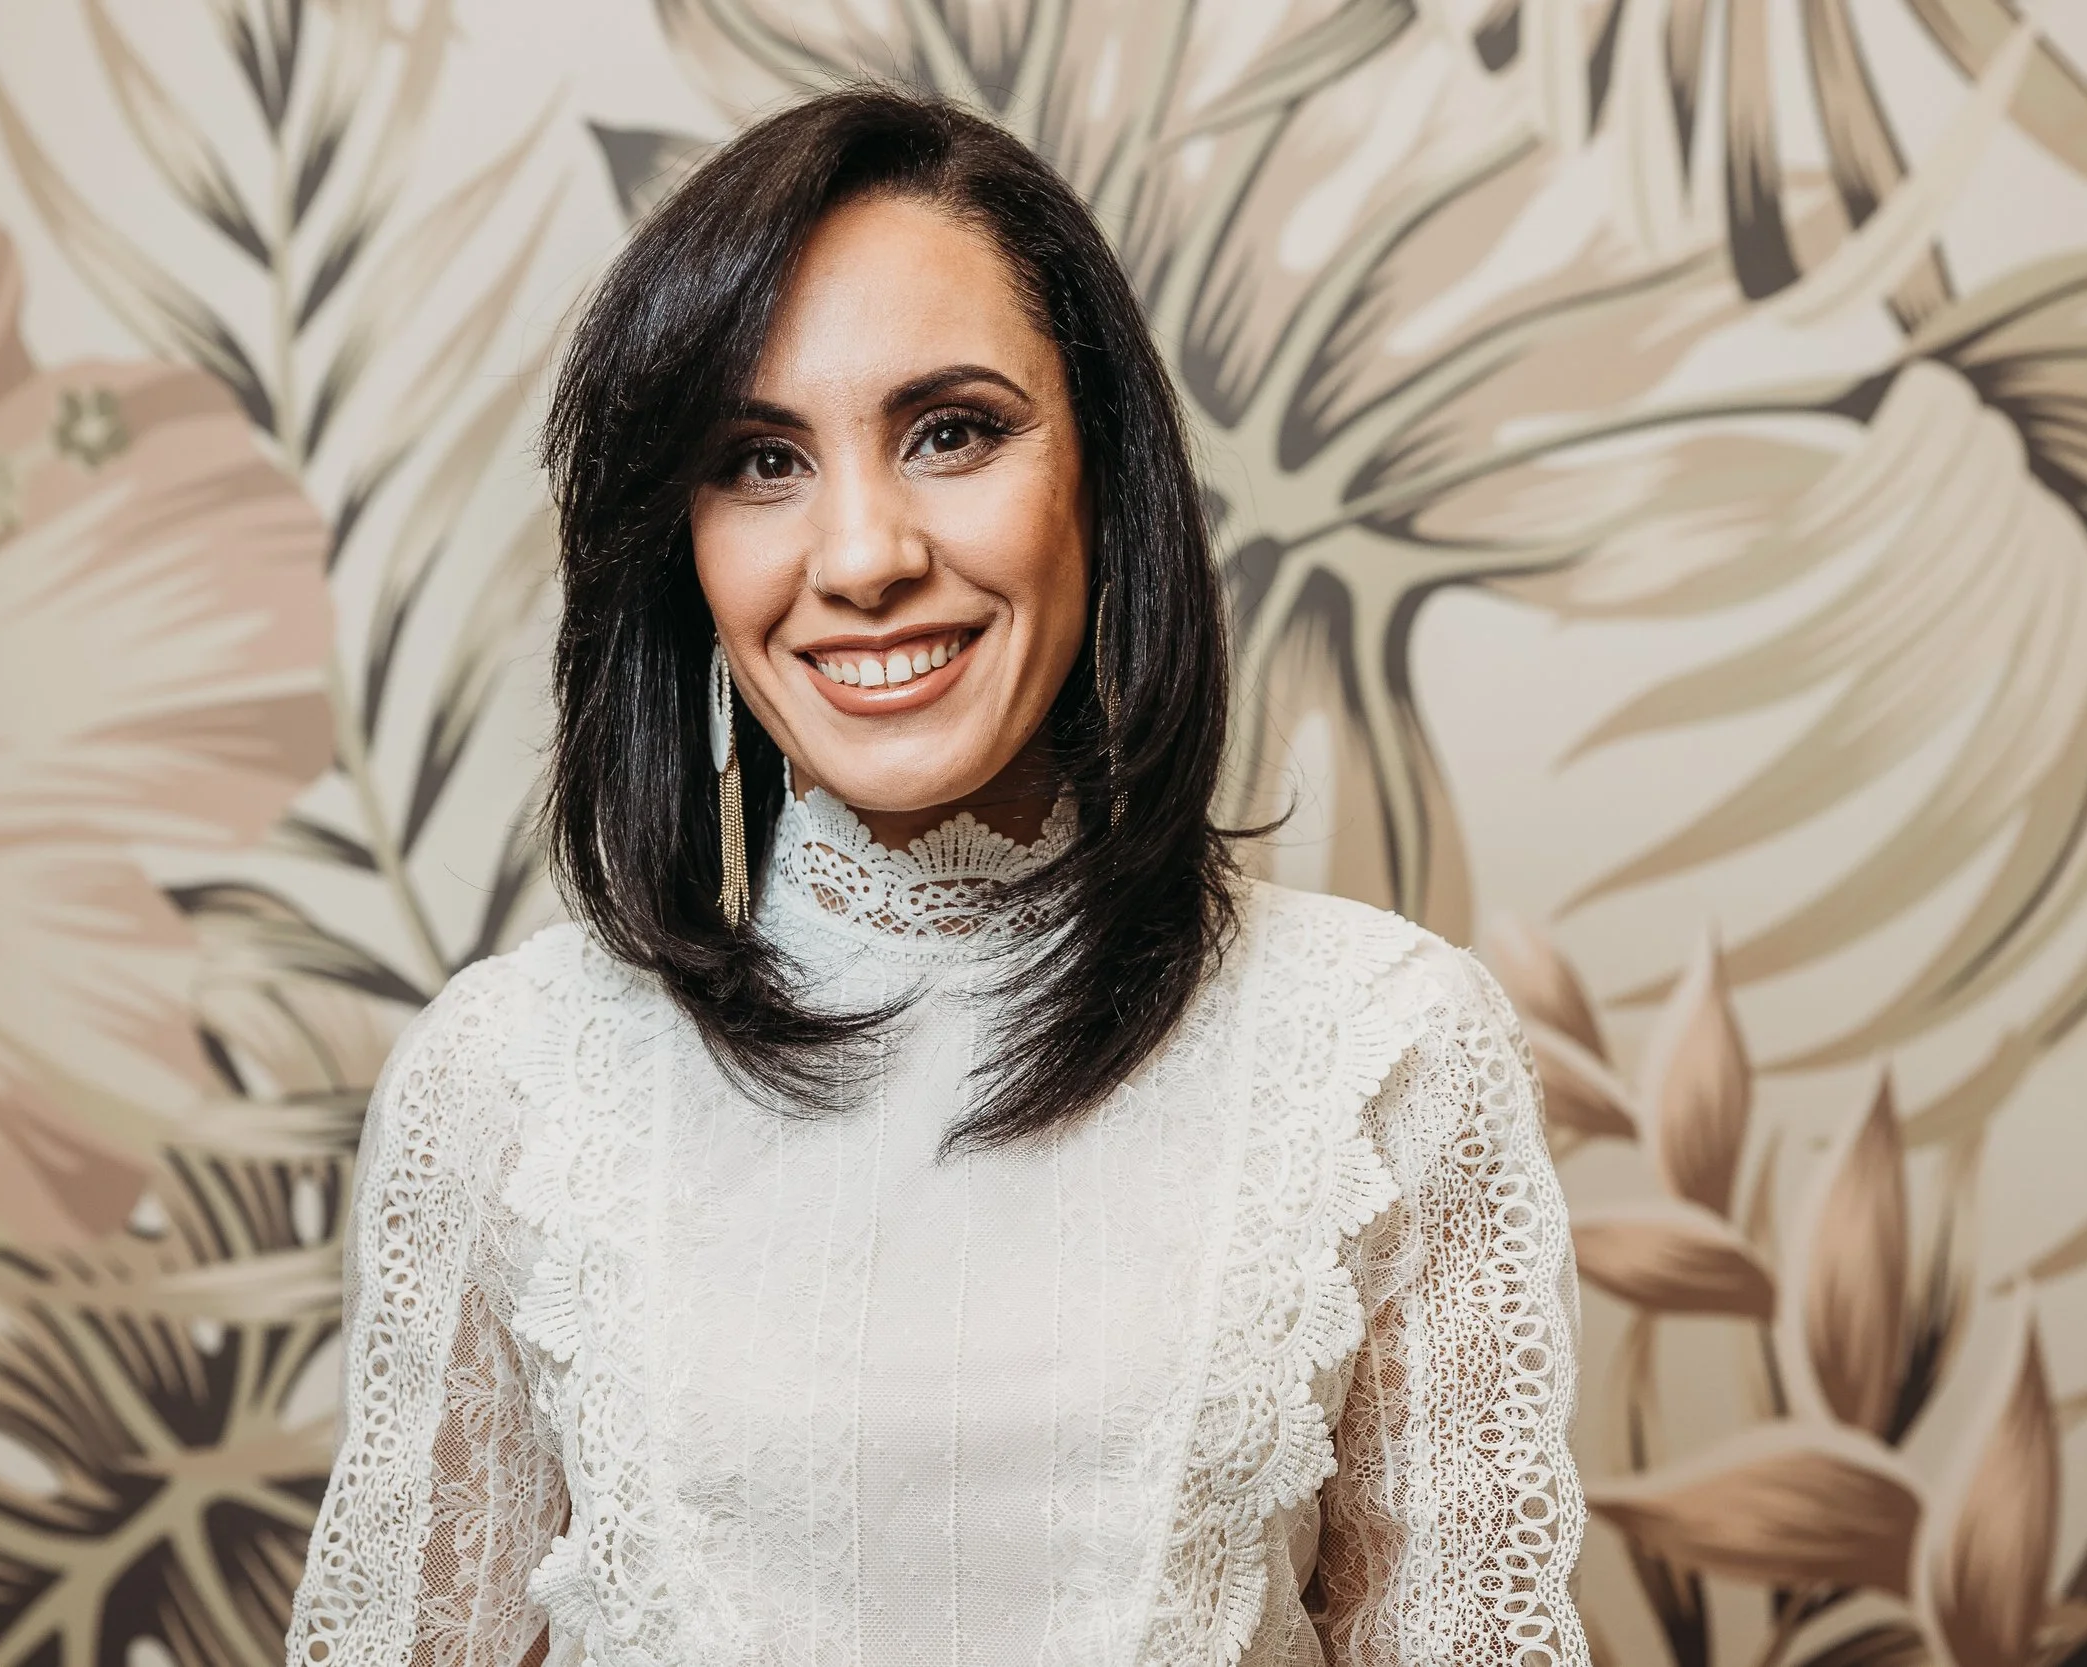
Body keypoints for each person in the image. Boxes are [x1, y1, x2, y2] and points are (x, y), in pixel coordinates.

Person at [283, 84, 1586, 1667]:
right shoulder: (508, 1083)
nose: (862, 553)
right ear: (680, 551)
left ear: (1100, 471)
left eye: (951, 430)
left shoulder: (1384, 1047)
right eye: (761, 460)